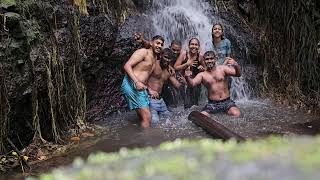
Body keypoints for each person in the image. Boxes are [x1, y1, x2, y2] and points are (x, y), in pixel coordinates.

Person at [121, 35, 165, 128]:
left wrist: (149, 89)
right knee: (147, 117)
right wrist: (136, 82)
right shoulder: (143, 52)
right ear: (151, 43)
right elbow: (127, 65)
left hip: (141, 88)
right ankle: (147, 140)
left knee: (143, 117)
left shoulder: (155, 58)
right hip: (132, 84)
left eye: (162, 44)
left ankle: (140, 137)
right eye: (157, 43)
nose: (160, 46)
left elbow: (145, 76)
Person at [184, 51, 241, 117]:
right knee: (201, 117)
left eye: (211, 58)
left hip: (227, 102)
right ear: (204, 60)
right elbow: (192, 84)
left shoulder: (223, 69)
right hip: (212, 104)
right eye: (207, 59)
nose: (209, 61)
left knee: (237, 114)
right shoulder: (202, 75)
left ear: (215, 59)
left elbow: (238, 74)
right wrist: (187, 77)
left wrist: (236, 65)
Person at [147, 48, 182, 125]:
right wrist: (150, 90)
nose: (167, 60)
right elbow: (142, 79)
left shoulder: (168, 70)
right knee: (155, 122)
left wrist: (183, 79)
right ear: (161, 55)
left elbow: (177, 85)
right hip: (150, 98)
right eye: (165, 57)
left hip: (160, 100)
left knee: (170, 119)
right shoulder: (153, 65)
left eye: (169, 59)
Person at [174, 37, 205, 108]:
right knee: (187, 104)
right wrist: (186, 64)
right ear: (189, 45)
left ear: (198, 46)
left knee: (195, 104)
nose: (194, 46)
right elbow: (175, 67)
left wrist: (202, 69)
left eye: (196, 45)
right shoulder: (184, 54)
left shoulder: (200, 57)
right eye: (192, 44)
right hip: (184, 82)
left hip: (196, 83)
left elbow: (206, 69)